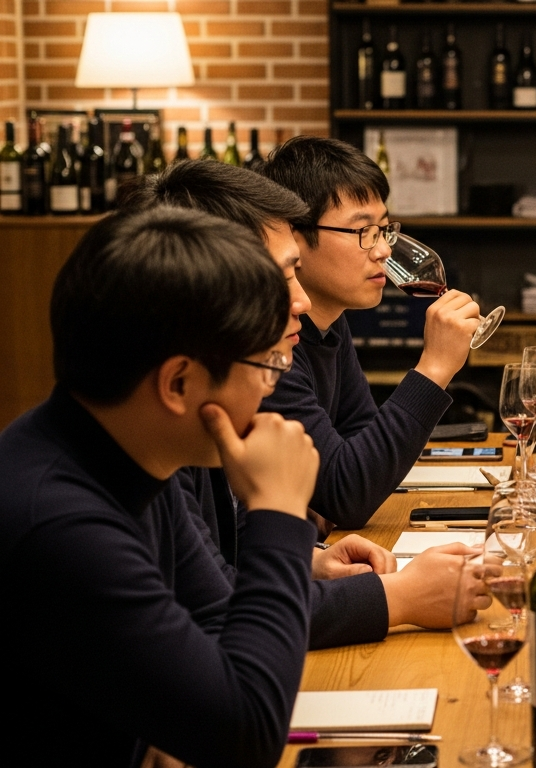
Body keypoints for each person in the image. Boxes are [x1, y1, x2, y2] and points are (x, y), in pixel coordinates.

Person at [121, 161, 491, 648]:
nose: (299, 301)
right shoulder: (107, 483)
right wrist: (395, 598)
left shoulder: (185, 425)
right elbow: (228, 635)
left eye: (384, 230)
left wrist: (306, 557)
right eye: (281, 277)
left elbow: (221, 565)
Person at [0, 207, 320, 765]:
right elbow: (246, 735)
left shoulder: (128, 451)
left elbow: (217, 619)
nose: (274, 386)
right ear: (177, 383)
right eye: (269, 363)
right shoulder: (59, 523)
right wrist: (280, 514)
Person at [261, 136, 483, 530]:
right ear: (294, 237)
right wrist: (434, 369)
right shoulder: (268, 341)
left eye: (384, 229)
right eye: (363, 231)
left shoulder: (331, 323)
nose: (382, 250)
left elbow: (362, 446)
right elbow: (349, 494)